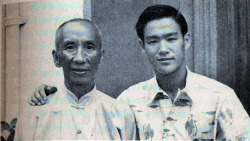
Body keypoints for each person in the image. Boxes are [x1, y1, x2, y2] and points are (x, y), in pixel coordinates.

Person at [28, 5, 250, 140]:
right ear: (142, 47)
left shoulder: (220, 97)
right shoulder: (128, 102)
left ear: (187, 41)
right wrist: (51, 96)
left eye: (171, 39)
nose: (163, 49)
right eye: (153, 41)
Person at [15, 18, 136, 140]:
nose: (79, 58)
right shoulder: (34, 115)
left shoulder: (120, 114)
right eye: (70, 47)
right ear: (56, 57)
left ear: (101, 56)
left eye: (89, 47)